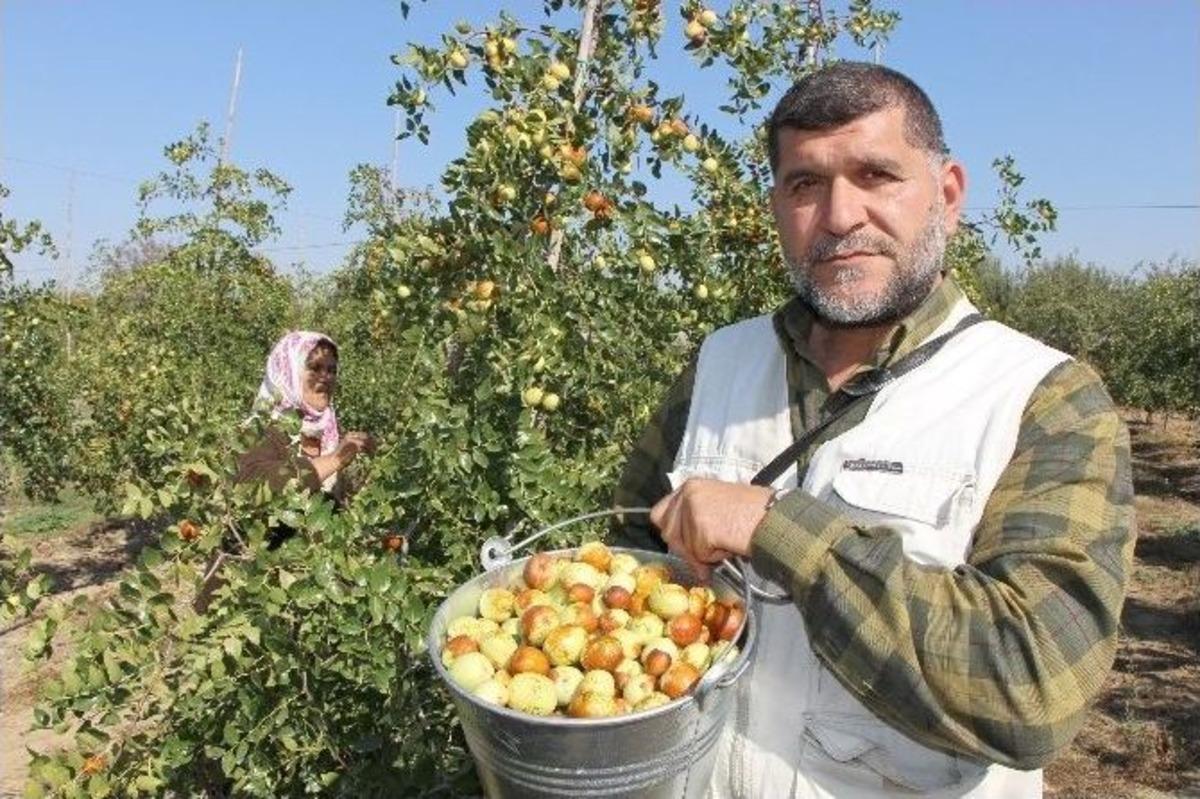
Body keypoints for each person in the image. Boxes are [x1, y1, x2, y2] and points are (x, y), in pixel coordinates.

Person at [613, 62, 1133, 799]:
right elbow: (627, 550)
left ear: (947, 195)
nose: (840, 215)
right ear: (776, 206)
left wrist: (773, 525)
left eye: (876, 175)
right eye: (805, 184)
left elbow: (1035, 684)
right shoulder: (719, 362)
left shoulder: (1043, 398)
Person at [237, 330, 374, 502]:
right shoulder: (259, 431)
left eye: (331, 370)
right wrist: (334, 460)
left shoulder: (328, 430)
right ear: (288, 371)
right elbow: (253, 483)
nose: (325, 377)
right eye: (315, 368)